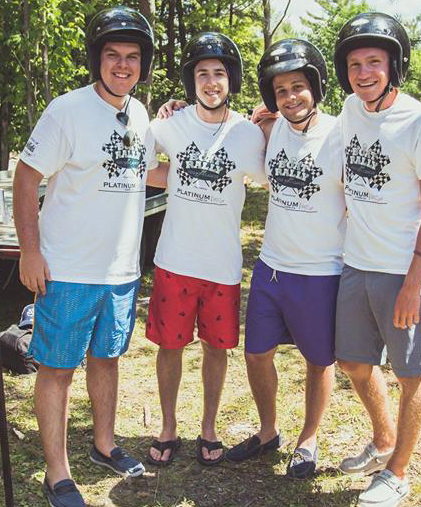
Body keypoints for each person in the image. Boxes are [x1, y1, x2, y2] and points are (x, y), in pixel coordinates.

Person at [13, 7, 157, 507]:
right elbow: (27, 176)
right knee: (57, 368)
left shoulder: (140, 114)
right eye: (113, 55)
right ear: (98, 60)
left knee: (107, 357)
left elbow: (148, 173)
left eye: (132, 57)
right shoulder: (66, 110)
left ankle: (105, 443)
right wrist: (30, 250)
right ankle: (58, 473)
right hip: (68, 269)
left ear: (143, 64)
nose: (122, 65)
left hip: (120, 269)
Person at [333, 12, 421, 507]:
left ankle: (398, 472)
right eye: (355, 64)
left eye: (374, 62)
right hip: (357, 263)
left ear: (393, 65)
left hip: (405, 270)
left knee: (409, 373)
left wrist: (412, 282)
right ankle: (383, 441)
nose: (363, 73)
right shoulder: (349, 108)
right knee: (354, 363)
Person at [223, 39, 345, 479]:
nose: (291, 96)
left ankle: (308, 438)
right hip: (271, 267)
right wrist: (174, 107)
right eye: (281, 90)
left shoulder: (340, 133)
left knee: (319, 359)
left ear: (315, 86)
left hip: (320, 271)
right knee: (256, 354)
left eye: (299, 86)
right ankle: (268, 431)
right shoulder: (268, 130)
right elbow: (219, 125)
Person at [144, 32, 267, 467]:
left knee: (217, 349)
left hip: (222, 267)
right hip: (174, 261)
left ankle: (209, 428)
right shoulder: (168, 124)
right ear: (190, 81)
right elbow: (139, 163)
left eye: (219, 73)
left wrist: (272, 122)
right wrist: (173, 174)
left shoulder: (247, 136)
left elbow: (280, 170)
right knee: (170, 347)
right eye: (202, 74)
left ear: (230, 80)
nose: (211, 82)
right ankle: (168, 426)